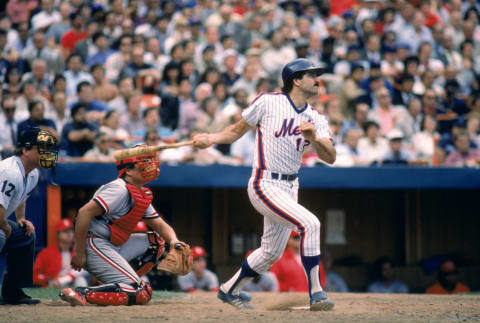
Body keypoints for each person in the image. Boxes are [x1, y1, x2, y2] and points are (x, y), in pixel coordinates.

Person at [193, 58, 336, 311]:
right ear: (296, 80)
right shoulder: (268, 101)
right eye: (312, 74)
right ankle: (317, 293)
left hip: (291, 187)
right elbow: (237, 130)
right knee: (310, 223)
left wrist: (314, 139)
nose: (318, 79)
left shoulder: (316, 118)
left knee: (271, 252)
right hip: (264, 182)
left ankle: (229, 289)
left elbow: (330, 157)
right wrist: (210, 138)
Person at [59, 144, 187, 306]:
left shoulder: (139, 191)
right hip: (94, 244)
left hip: (113, 245)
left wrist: (175, 242)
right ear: (129, 170)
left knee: (156, 241)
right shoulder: (119, 189)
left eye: (150, 160)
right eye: (144, 162)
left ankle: (110, 282)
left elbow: (161, 226)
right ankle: (81, 292)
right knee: (141, 292)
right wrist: (78, 251)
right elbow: (84, 213)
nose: (151, 165)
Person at [0, 127, 58, 304]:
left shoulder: (32, 172)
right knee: (1, 236)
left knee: (26, 234)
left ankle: (13, 293)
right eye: (41, 148)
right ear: (25, 150)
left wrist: (20, 220)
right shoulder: (10, 171)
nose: (46, 153)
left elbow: (21, 197)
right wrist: (6, 226)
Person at [33, 218, 89, 288]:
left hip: (71, 282)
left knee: (81, 278)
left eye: (71, 230)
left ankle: (80, 296)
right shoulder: (46, 253)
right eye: (65, 231)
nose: (69, 234)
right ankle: (64, 280)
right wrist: (50, 279)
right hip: (54, 285)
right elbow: (35, 276)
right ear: (58, 234)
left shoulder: (78, 252)